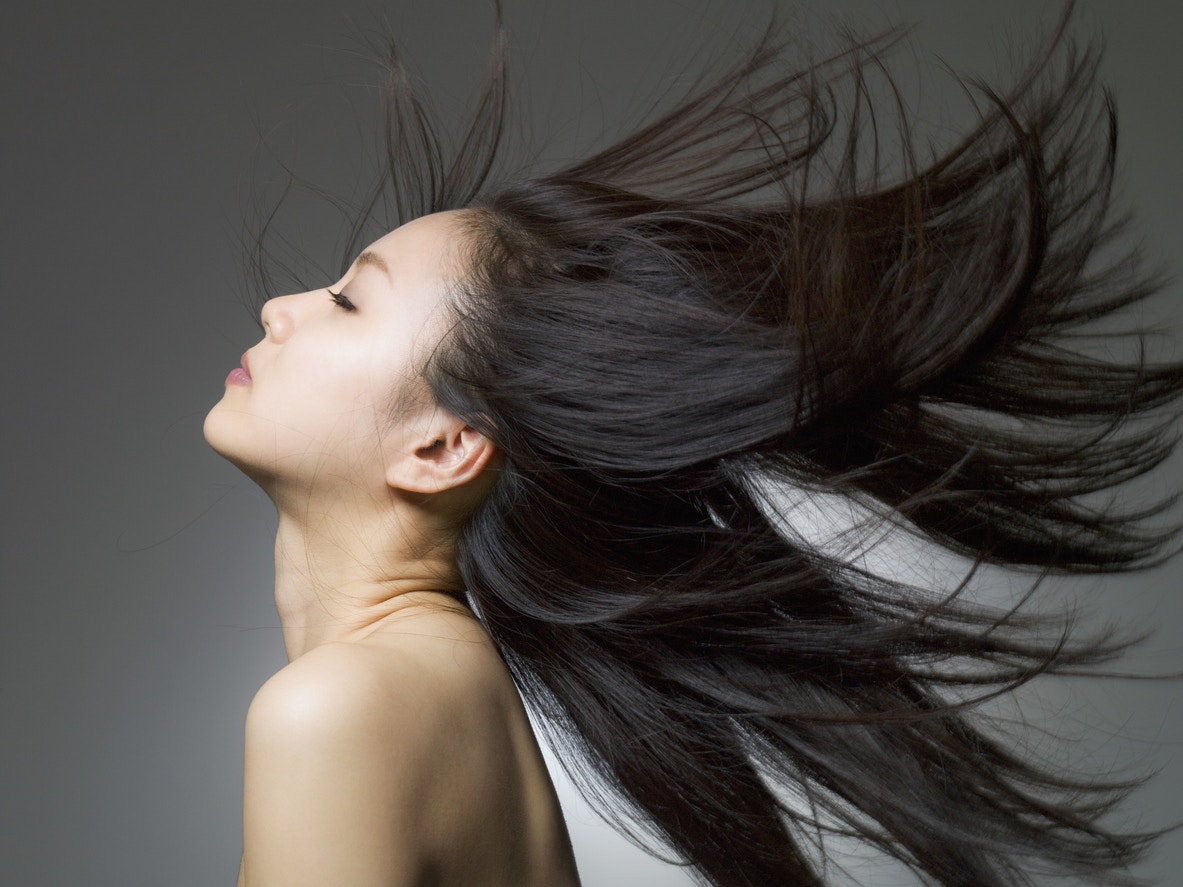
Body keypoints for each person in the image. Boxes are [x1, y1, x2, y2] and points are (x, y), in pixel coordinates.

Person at [205, 5, 1183, 886]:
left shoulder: (336, 709)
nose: (279, 308)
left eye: (345, 300)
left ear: (445, 444)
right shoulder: (444, 690)